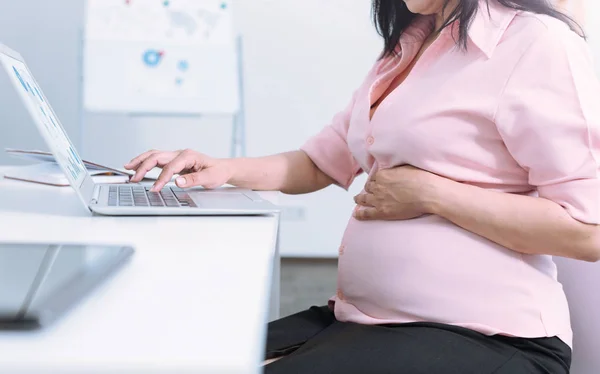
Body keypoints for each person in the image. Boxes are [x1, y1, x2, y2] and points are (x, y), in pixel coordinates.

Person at [125, 0, 600, 372]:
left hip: (486, 336)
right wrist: (221, 168)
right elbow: (321, 161)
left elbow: (586, 231)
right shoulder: (410, 43)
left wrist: (432, 194)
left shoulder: (537, 43)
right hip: (367, 319)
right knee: (192, 356)